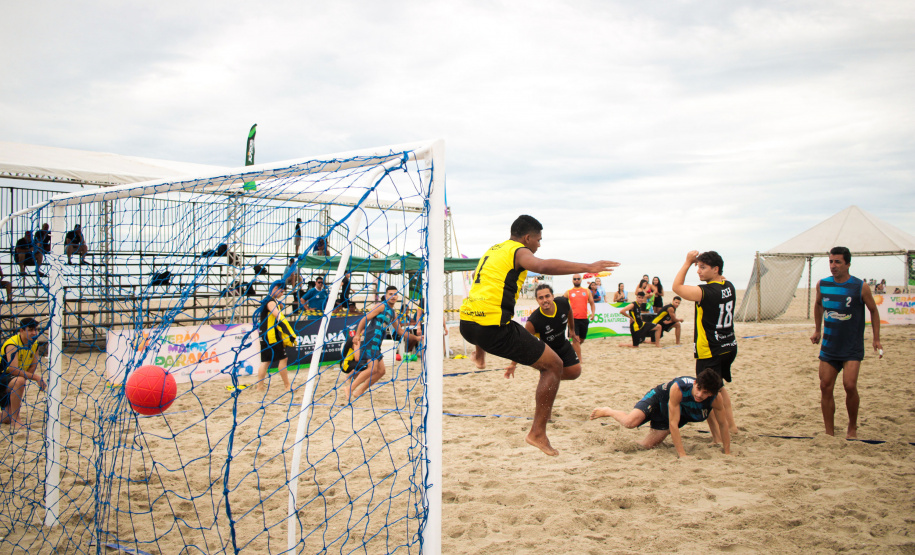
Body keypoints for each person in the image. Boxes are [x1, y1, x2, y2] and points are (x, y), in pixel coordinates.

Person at [459, 215, 618, 456]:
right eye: (538, 240)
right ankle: (537, 433)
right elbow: (543, 266)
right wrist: (588, 267)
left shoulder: (493, 250)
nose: (539, 246)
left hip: (466, 324)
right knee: (554, 365)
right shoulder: (519, 251)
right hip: (491, 328)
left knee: (492, 313)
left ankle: (479, 354)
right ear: (527, 237)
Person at [810, 246, 882, 439]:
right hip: (829, 346)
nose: (833, 266)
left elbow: (874, 311)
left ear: (848, 264)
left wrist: (876, 338)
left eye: (837, 262)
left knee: (849, 385)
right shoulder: (822, 284)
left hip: (851, 346)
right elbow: (818, 305)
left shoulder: (860, 286)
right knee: (825, 386)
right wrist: (817, 329)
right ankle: (829, 432)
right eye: (831, 262)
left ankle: (852, 427)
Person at [672, 250, 738, 443]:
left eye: (703, 267)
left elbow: (677, 286)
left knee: (707, 392)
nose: (698, 271)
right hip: (728, 344)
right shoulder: (729, 285)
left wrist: (687, 262)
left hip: (710, 348)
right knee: (720, 388)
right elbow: (721, 279)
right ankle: (732, 426)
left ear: (715, 269)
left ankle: (718, 436)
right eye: (697, 267)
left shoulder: (706, 292)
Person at [589, 370, 729, 458]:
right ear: (694, 383)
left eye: (705, 393)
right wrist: (682, 455)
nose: (699, 394)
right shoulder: (679, 388)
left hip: (667, 413)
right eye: (698, 389)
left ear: (712, 393)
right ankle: (609, 411)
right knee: (630, 423)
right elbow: (673, 424)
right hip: (658, 398)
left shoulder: (715, 399)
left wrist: (727, 452)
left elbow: (723, 424)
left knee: (646, 446)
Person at [504, 284, 581, 381]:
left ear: (553, 296)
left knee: (575, 372)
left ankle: (548, 376)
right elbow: (522, 342)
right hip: (547, 351)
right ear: (537, 300)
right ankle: (548, 376)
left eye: (547, 296)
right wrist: (513, 364)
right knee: (552, 371)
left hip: (562, 343)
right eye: (541, 298)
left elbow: (569, 311)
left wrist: (572, 330)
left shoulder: (563, 303)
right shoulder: (533, 321)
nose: (545, 300)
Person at [348, 286, 408, 401]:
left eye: (395, 294)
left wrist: (416, 337)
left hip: (377, 343)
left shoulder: (392, 313)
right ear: (386, 295)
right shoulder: (381, 306)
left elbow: (400, 331)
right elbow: (365, 318)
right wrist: (357, 335)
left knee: (381, 371)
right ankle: (351, 387)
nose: (393, 296)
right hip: (371, 340)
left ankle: (358, 389)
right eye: (390, 294)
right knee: (371, 368)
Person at [1, 318, 48, 433]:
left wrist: (31, 375)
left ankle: (11, 417)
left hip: (9, 382)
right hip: (3, 378)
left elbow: (33, 366)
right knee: (20, 381)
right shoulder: (12, 344)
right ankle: (16, 420)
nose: (34, 333)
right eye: (30, 330)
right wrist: (37, 378)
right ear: (21, 330)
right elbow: (13, 369)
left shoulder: (34, 344)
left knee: (5, 418)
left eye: (35, 330)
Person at [256, 281, 295, 392]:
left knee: (266, 361)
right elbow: (278, 317)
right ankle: (287, 386)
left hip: (263, 335)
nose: (282, 293)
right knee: (283, 358)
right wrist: (289, 332)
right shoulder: (271, 302)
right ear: (275, 288)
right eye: (281, 291)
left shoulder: (269, 300)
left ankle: (260, 387)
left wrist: (279, 305)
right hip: (271, 335)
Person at [566, 274, 596, 362]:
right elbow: (562, 302)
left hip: (584, 318)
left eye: (578, 279)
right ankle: (579, 360)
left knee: (581, 340)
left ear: (581, 280)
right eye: (575, 279)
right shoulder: (568, 292)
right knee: (576, 340)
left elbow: (592, 303)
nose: (576, 280)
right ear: (572, 280)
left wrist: (593, 313)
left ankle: (568, 349)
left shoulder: (586, 291)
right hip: (573, 319)